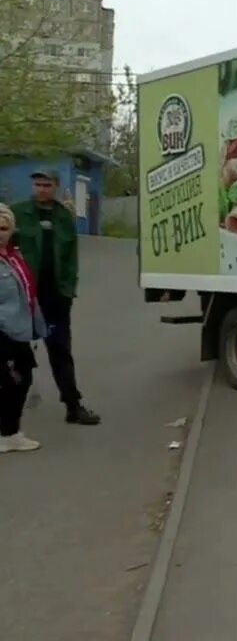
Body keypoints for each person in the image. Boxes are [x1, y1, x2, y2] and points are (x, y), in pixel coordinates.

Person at [13, 169, 99, 425]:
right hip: (23, 297)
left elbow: (71, 257)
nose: (41, 189)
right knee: (14, 353)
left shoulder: (63, 217)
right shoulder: (17, 213)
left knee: (60, 350)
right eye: (37, 184)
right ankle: (9, 414)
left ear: (56, 186)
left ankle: (73, 406)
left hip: (55, 298)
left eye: (47, 184)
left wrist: (68, 289)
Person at [0, 203, 45, 453]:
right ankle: (8, 434)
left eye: (4, 227)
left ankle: (10, 431)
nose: (0, 232)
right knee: (13, 381)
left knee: (21, 379)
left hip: (19, 329)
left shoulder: (13, 256)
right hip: (3, 331)